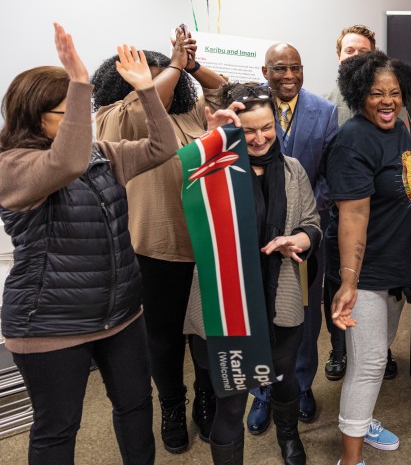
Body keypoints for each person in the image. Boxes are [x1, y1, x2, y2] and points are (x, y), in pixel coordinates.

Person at [0, 25, 179, 464]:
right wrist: (80, 82)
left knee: (137, 407)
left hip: (120, 314)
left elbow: (162, 146)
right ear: (33, 117)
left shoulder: (102, 154)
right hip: (49, 323)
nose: (80, 121)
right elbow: (65, 161)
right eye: (67, 113)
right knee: (58, 429)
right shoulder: (12, 167)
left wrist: (145, 91)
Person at [93, 27, 228, 452]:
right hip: (156, 245)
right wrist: (168, 66)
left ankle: (206, 399)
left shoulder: (191, 116)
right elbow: (146, 106)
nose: (157, 83)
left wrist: (190, 65)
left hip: (205, 242)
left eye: (163, 74)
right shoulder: (114, 116)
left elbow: (225, 91)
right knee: (164, 333)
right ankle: (172, 403)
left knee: (205, 331)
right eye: (146, 77)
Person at [184, 83, 322, 465]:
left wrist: (298, 238)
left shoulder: (293, 170)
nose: (260, 138)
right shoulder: (214, 170)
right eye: (248, 130)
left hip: (280, 299)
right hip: (225, 306)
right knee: (229, 400)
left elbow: (313, 222)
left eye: (267, 127)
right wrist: (214, 139)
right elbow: (184, 175)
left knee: (284, 378)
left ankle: (289, 439)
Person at [327, 50, 411, 465]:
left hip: (396, 267)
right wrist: (349, 281)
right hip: (368, 272)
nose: (387, 101)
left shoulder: (400, 129)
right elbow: (352, 213)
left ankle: (362, 417)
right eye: (376, 94)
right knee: (370, 363)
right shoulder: (353, 139)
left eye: (394, 93)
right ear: (359, 95)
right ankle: (349, 461)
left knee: (376, 351)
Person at [246, 42, 338, 432]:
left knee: (302, 318)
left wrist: (301, 218)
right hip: (255, 237)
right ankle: (262, 393)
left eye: (296, 68)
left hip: (306, 236)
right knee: (258, 317)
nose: (289, 76)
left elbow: (331, 176)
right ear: (265, 71)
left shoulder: (326, 111)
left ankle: (300, 386)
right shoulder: (249, 112)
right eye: (280, 68)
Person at [320, 25, 402, 384]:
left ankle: (376, 348)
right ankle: (340, 349)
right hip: (337, 214)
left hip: (381, 222)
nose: (356, 57)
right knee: (339, 287)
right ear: (339, 56)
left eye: (363, 51)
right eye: (349, 51)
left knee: (373, 307)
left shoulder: (391, 109)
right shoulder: (325, 106)